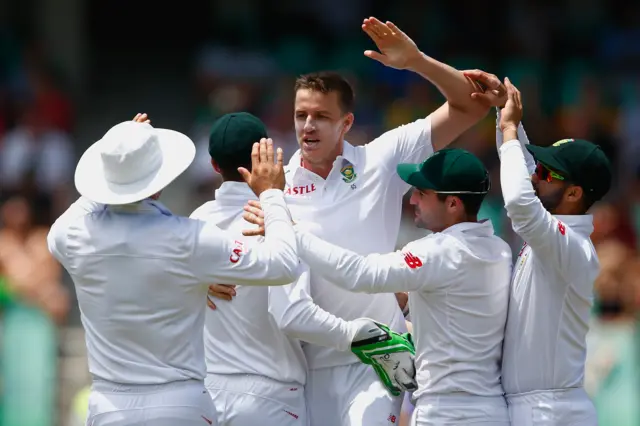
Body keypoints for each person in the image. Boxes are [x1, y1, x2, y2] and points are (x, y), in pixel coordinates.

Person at [237, 17, 501, 426]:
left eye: (322, 116)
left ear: (346, 123)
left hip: (380, 359)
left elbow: (472, 104)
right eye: (300, 114)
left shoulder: (380, 159)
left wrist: (416, 62)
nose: (308, 125)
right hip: (309, 368)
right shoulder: (276, 188)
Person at [46, 113, 300, 426]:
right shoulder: (191, 238)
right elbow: (284, 265)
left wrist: (120, 162)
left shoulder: (69, 237)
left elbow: (79, 211)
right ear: (161, 179)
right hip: (180, 406)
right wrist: (272, 194)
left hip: (109, 408)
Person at [246, 148, 513, 425]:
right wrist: (409, 306)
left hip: (446, 412)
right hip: (491, 408)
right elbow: (457, 307)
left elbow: (358, 274)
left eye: (422, 192)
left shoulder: (436, 252)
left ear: (453, 204)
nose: (412, 200)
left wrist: (286, 228)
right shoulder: (499, 250)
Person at [193, 112, 416, 426]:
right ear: (267, 155)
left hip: (206, 396)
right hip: (270, 399)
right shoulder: (281, 222)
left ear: (214, 165)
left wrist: (198, 283)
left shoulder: (192, 225)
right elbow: (293, 314)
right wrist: (367, 338)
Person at [473, 73, 612, 425]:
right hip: (537, 409)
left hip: (551, 412)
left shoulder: (571, 246)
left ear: (574, 194)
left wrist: (508, 133)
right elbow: (526, 175)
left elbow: (520, 201)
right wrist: (503, 114)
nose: (536, 175)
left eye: (549, 174)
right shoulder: (556, 235)